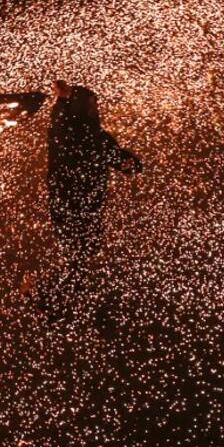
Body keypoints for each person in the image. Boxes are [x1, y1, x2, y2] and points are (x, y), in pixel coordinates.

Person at [43, 80, 141, 302]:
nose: (96, 109)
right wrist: (64, 99)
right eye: (92, 105)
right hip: (73, 203)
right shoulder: (73, 134)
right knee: (77, 255)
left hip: (80, 204)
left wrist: (129, 163)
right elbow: (62, 121)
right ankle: (52, 300)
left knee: (79, 255)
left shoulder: (89, 136)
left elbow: (118, 159)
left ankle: (56, 299)